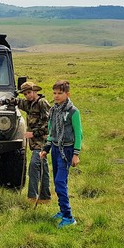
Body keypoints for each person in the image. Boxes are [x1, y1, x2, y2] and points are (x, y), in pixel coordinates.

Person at [0, 81, 51, 203]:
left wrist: (34, 134)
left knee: (34, 166)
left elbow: (49, 124)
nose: (27, 95)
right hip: (34, 142)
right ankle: (45, 197)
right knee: (43, 168)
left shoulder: (42, 103)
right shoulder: (29, 104)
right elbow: (16, 101)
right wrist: (1, 102)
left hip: (42, 141)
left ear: (35, 91)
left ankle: (32, 196)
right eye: (25, 94)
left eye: (29, 92)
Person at [40, 80, 82, 228]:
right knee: (59, 181)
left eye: (60, 93)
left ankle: (69, 217)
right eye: (54, 93)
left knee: (59, 182)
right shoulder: (53, 110)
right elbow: (51, 131)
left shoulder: (73, 111)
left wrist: (76, 154)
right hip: (56, 149)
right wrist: (46, 148)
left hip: (67, 150)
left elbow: (79, 134)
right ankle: (62, 210)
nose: (56, 96)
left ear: (67, 94)